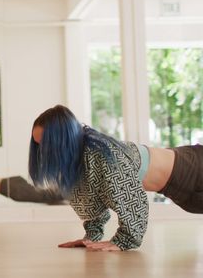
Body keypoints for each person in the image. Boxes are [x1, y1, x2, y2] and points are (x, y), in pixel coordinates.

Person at [28, 104, 203, 252]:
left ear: (63, 139)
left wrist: (124, 240)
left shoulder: (102, 152)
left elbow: (133, 199)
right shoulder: (80, 162)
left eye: (46, 144)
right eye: (39, 146)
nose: (43, 152)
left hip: (193, 169)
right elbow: (90, 201)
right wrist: (91, 237)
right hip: (182, 190)